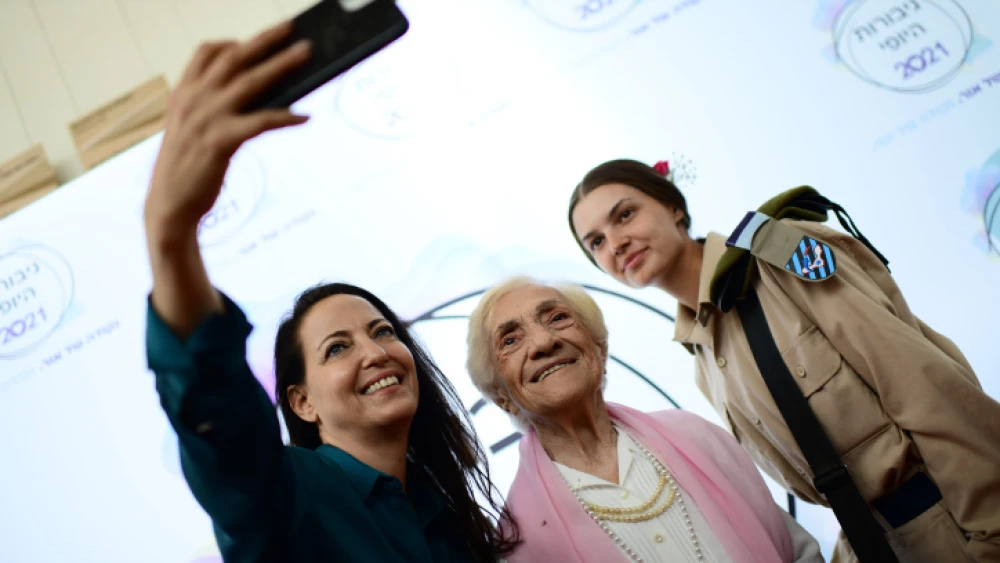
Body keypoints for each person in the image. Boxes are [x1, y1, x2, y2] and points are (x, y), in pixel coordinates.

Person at [144, 21, 517, 561]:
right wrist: (171, 234)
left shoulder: (448, 513)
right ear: (302, 402)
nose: (375, 352)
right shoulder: (286, 495)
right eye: (337, 348)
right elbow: (218, 417)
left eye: (383, 331)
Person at [567, 158, 1000, 562]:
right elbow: (836, 484)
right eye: (597, 242)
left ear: (672, 206)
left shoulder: (779, 258)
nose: (617, 243)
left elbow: (929, 392)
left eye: (625, 215)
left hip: (957, 526)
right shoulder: (703, 358)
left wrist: (993, 533)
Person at [465, 276, 824, 562]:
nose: (544, 342)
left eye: (558, 318)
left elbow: (797, 553)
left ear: (600, 350)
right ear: (501, 396)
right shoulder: (519, 541)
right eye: (510, 340)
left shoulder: (695, 435)